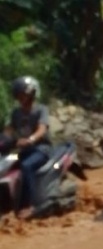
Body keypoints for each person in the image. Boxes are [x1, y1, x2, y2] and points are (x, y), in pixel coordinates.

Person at [3, 76, 51, 219]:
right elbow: (9, 129)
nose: (20, 98)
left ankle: (29, 205)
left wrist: (30, 139)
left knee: (26, 166)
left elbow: (42, 129)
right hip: (22, 151)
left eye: (23, 94)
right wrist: (4, 139)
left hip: (41, 150)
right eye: (18, 95)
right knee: (7, 164)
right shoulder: (16, 113)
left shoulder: (41, 110)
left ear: (32, 94)